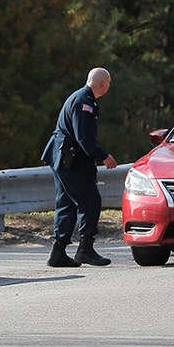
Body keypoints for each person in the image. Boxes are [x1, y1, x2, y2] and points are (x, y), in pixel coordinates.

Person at [40, 67, 118, 267]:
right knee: (90, 201)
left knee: (66, 204)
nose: (109, 86)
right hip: (71, 162)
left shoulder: (80, 98)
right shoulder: (85, 102)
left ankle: (58, 252)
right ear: (102, 84)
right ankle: (85, 249)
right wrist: (104, 156)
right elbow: (84, 138)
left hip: (63, 159)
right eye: (108, 83)